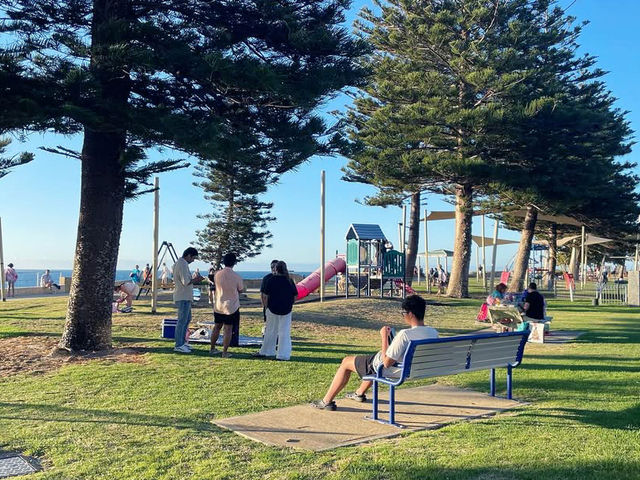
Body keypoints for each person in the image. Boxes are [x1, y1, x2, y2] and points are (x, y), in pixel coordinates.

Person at [311, 295, 438, 411]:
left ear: (410, 314)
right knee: (369, 362)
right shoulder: (433, 332)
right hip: (417, 369)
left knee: (346, 362)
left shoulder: (405, 335)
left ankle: (326, 401)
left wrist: (384, 337)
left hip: (395, 369)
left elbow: (386, 363)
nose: (403, 316)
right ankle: (359, 393)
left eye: (403, 313)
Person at [254, 260, 298, 361]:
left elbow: (265, 296)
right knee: (285, 332)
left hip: (272, 309)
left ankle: (267, 351)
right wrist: (290, 304)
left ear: (276, 269)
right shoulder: (289, 280)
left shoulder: (270, 280)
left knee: (270, 331)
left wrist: (266, 307)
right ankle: (283, 355)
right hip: (286, 309)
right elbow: (295, 295)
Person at [210, 253, 244, 358]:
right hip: (231, 306)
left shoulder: (217, 274)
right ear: (234, 263)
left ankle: (212, 348)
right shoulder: (236, 276)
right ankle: (224, 352)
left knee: (217, 327)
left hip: (219, 305)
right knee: (228, 329)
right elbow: (241, 289)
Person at [172, 247, 198, 353]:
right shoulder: (182, 264)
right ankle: (179, 344)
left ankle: (183, 342)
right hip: (182, 296)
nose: (193, 260)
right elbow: (186, 281)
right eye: (193, 258)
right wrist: (197, 280)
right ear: (188, 255)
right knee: (182, 321)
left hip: (185, 296)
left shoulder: (180, 263)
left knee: (186, 319)